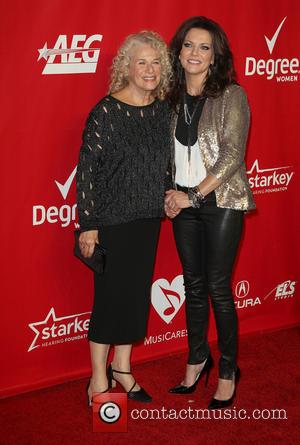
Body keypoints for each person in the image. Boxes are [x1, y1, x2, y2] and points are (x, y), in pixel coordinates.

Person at [76, 31, 172, 405]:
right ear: (126, 68)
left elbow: (164, 164)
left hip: (147, 219)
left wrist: (168, 193)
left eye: (155, 62)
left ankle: (123, 368)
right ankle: (98, 379)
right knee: (110, 300)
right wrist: (89, 223)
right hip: (111, 221)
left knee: (133, 299)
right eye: (141, 62)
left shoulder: (163, 109)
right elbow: (87, 169)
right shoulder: (106, 111)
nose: (150, 70)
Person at [165, 16, 255, 409]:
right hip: (181, 203)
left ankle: (229, 369)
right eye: (189, 45)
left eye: (204, 47)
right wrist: (168, 193)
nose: (195, 53)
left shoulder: (231, 94)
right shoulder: (167, 94)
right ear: (178, 51)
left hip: (220, 203)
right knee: (193, 286)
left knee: (217, 288)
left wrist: (194, 197)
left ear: (215, 55)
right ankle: (197, 358)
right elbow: (159, 152)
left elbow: (233, 155)